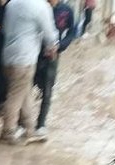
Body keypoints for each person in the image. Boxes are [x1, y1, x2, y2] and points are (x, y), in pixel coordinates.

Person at [0, 0, 58, 144]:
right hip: (25, 58)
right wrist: (53, 47)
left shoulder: (12, 3)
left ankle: (29, 129)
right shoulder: (41, 6)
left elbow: (5, 28)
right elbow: (50, 34)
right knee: (15, 96)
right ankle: (8, 132)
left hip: (8, 56)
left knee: (24, 93)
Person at [33, 0, 76, 136]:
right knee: (26, 87)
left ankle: (41, 123)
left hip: (53, 55)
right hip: (33, 53)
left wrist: (60, 45)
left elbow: (72, 32)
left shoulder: (66, 10)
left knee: (47, 90)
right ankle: (22, 122)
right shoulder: (38, 6)